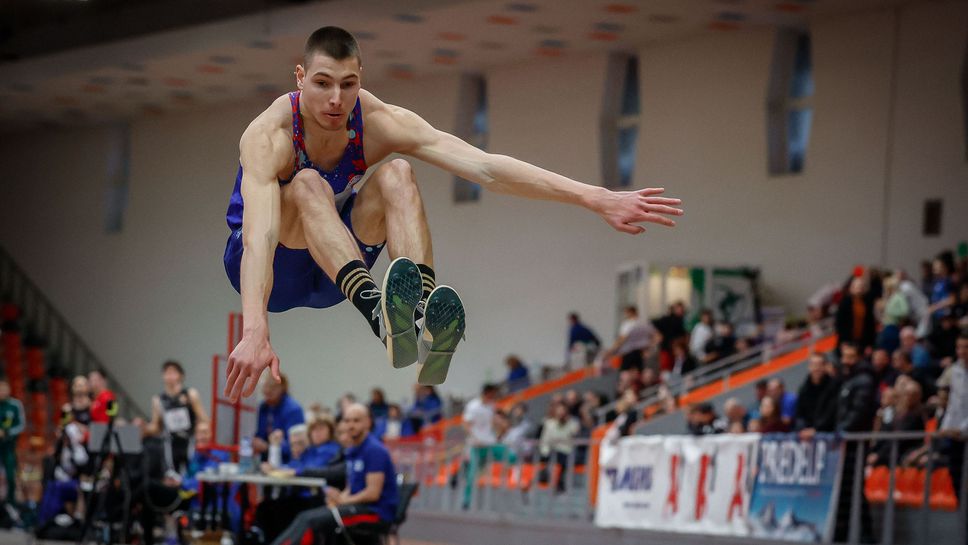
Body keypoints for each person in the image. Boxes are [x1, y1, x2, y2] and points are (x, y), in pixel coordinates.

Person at [221, 26, 684, 401]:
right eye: (322, 84)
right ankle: (379, 317)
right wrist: (256, 328)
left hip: (337, 268)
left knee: (399, 171)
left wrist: (594, 196)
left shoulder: (379, 122)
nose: (336, 101)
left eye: (348, 84)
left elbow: (486, 167)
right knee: (306, 184)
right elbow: (258, 238)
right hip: (273, 268)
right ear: (300, 77)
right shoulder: (269, 135)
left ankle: (418, 315)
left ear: (362, 77)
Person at [272, 404, 398, 545]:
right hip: (358, 506)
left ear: (368, 422)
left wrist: (344, 501)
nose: (351, 425)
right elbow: (351, 488)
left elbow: (372, 493)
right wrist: (338, 499)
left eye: (356, 421)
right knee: (304, 516)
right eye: (347, 421)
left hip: (376, 513)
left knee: (312, 522)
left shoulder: (374, 450)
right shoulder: (352, 451)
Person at [145, 360, 210, 474]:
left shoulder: (190, 394)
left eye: (173, 373)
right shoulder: (158, 400)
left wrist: (203, 433)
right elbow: (156, 426)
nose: (170, 376)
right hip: (170, 443)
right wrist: (143, 428)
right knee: (171, 475)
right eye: (167, 373)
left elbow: (203, 418)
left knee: (191, 473)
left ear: (181, 375)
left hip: (189, 441)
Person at [255, 374, 305, 463]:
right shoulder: (263, 407)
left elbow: (297, 447)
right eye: (264, 386)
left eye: (272, 386)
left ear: (282, 387)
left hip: (288, 463)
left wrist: (268, 446)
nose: (267, 390)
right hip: (265, 461)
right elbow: (260, 435)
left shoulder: (293, 409)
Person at [602, 306, 657, 372]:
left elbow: (622, 339)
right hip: (643, 352)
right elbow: (657, 336)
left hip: (629, 352)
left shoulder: (628, 324)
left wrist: (611, 351)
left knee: (625, 374)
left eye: (626, 313)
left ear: (630, 312)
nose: (625, 315)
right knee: (640, 373)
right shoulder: (645, 323)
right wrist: (650, 348)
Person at [0, 379, 24, 504]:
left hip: (9, 447)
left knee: (11, 477)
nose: (2, 392)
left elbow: (21, 425)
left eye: (5, 389)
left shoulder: (15, 405)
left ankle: (11, 503)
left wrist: (7, 432)